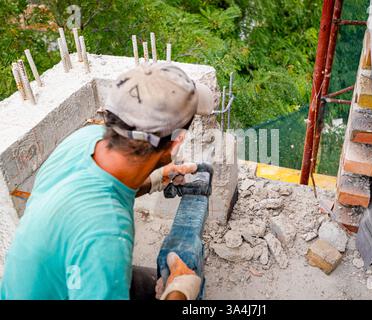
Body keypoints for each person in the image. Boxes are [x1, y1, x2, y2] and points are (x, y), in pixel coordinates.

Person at [0, 62, 214, 300]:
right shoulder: (107, 235)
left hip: (45, 282)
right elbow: (99, 235)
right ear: (176, 142)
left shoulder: (84, 139)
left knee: (145, 282)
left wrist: (156, 179)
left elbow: (106, 188)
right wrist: (178, 293)